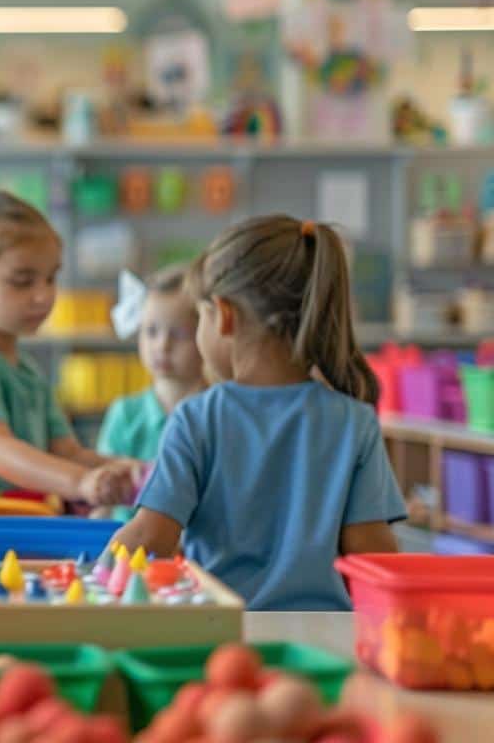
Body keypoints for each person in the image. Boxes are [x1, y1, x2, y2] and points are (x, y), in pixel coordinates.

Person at [112, 215, 406, 610]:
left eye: (201, 317)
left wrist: (93, 579)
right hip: (324, 636)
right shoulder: (355, 421)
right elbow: (371, 551)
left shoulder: (196, 418)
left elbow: (152, 537)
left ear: (225, 316)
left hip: (223, 631)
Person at [0, 184, 142, 507]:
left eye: (51, 278)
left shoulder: (26, 370)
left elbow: (66, 451)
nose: (44, 295)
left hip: (16, 524)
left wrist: (130, 472)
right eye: (23, 281)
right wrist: (81, 482)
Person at [96, 265, 206, 518]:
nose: (162, 345)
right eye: (151, 331)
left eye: (179, 333)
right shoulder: (125, 413)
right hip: (130, 551)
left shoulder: (217, 412)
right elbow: (103, 498)